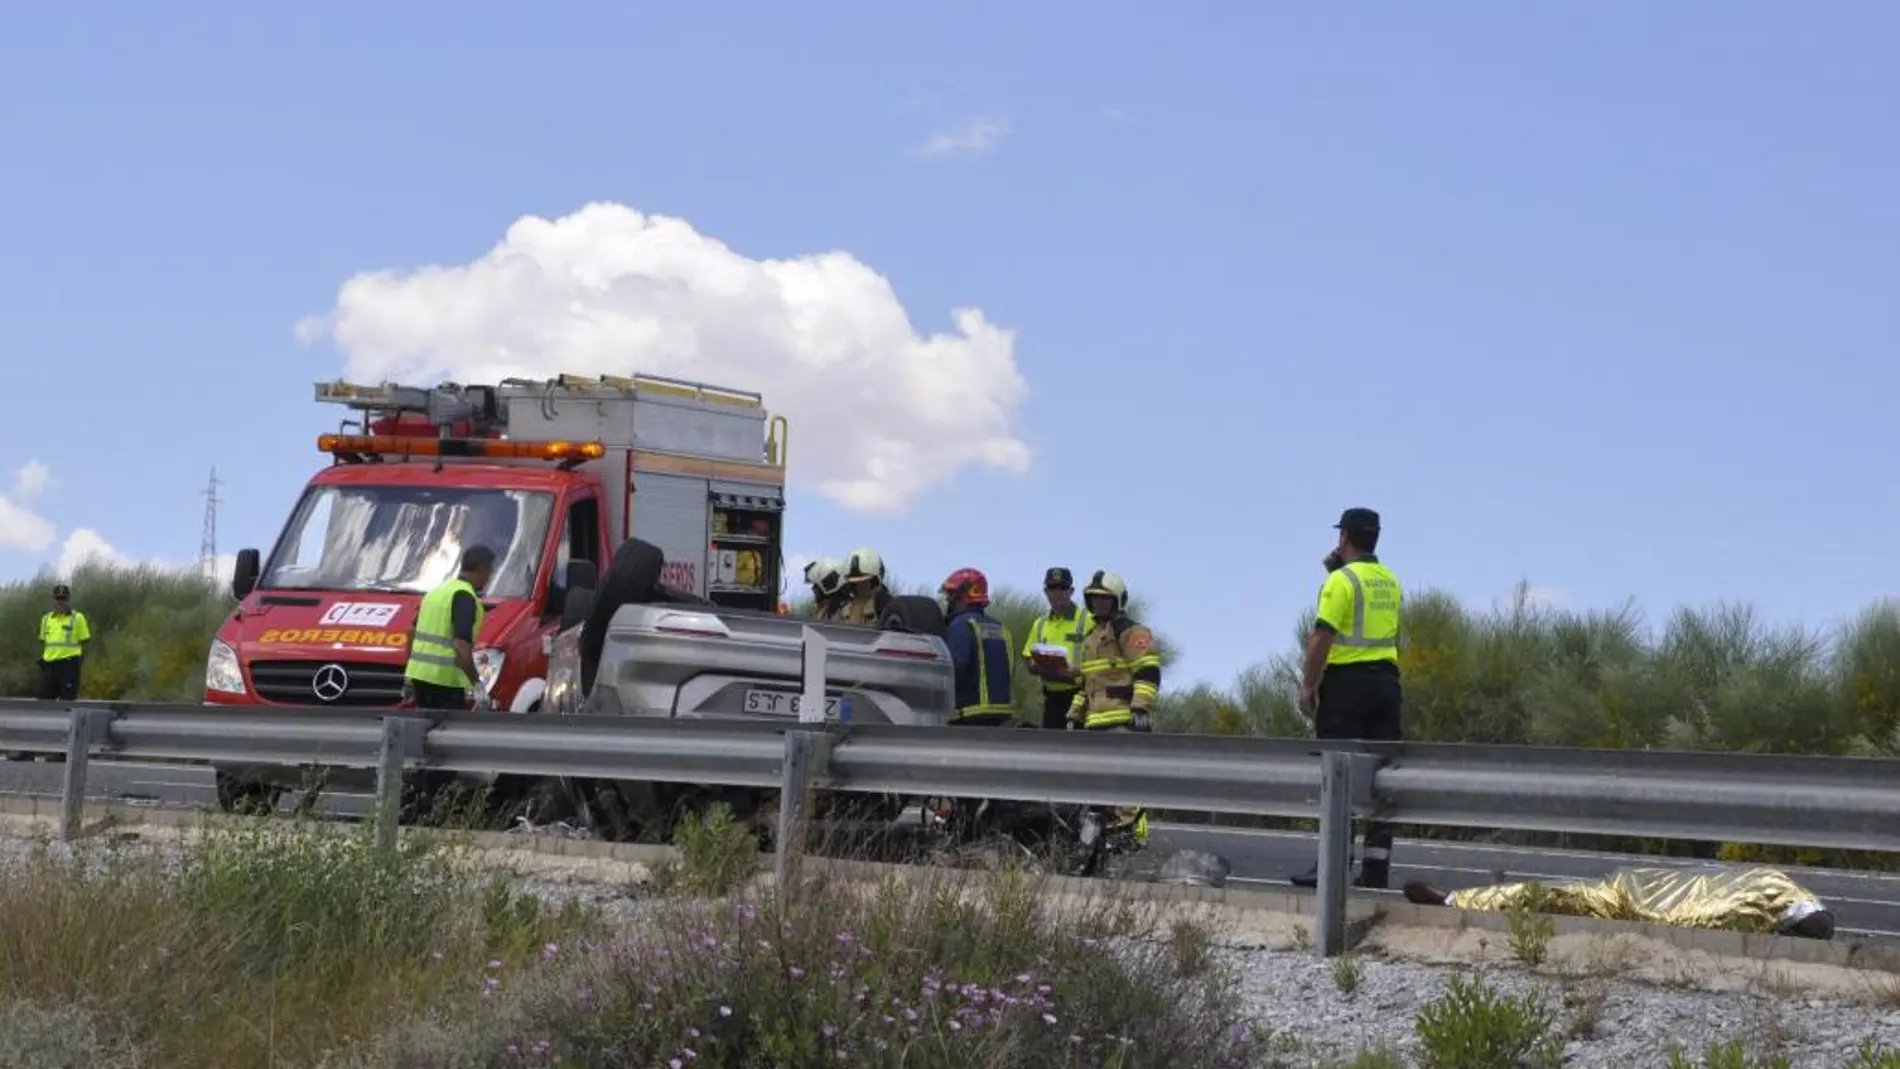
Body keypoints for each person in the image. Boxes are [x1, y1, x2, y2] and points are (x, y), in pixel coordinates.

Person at [1290, 507, 1404, 890]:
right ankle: (1375, 870)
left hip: (1347, 686)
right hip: (1387, 685)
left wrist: (1308, 686)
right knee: (1382, 781)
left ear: (1344, 538)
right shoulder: (1390, 579)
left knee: (1337, 776)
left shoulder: (1341, 581)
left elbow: (1322, 636)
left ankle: (1332, 866)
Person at [1066, 570, 1160, 845]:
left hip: (1123, 723)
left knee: (1127, 786)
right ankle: (1102, 843)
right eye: (1094, 599)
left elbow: (1149, 671)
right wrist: (1074, 715)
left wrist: (1140, 707)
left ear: (1117, 600)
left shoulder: (1131, 632)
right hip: (1095, 723)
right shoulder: (1092, 637)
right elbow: (1085, 683)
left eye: (1105, 599)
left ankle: (1130, 840)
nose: (1099, 604)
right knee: (1097, 787)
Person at [403, 545, 496, 711]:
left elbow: (411, 632)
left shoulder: (436, 593)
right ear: (482, 569)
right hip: (445, 683)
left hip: (420, 680)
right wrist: (477, 685)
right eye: (489, 573)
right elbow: (461, 647)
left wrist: (410, 676)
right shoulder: (464, 597)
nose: (488, 579)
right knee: (449, 734)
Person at [939, 568, 1016, 725]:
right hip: (1003, 716)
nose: (948, 601)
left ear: (962, 595)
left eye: (951, 596)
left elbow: (955, 668)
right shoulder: (1001, 628)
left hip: (970, 715)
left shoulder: (961, 625)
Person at [1020, 567, 1092, 729]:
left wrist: (1078, 671)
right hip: (1052, 698)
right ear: (1046, 591)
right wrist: (1035, 665)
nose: (1057, 592)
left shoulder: (1088, 620)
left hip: (1079, 697)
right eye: (1052, 588)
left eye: (1063, 587)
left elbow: (1102, 660)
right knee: (1051, 749)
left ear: (1072, 591)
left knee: (1078, 749)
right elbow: (1028, 658)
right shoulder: (1040, 623)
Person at [36, 583, 92, 701]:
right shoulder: (46, 619)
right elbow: (44, 641)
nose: (60, 602)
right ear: (54, 600)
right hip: (49, 665)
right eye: (58, 598)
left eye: (63, 598)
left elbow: (86, 641)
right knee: (42, 700)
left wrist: (78, 662)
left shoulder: (77, 618)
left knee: (67, 701)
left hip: (68, 665)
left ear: (68, 599)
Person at [833, 547, 892, 625]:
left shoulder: (887, 606)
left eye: (864, 582)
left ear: (875, 580)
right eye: (855, 583)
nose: (859, 586)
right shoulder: (844, 608)